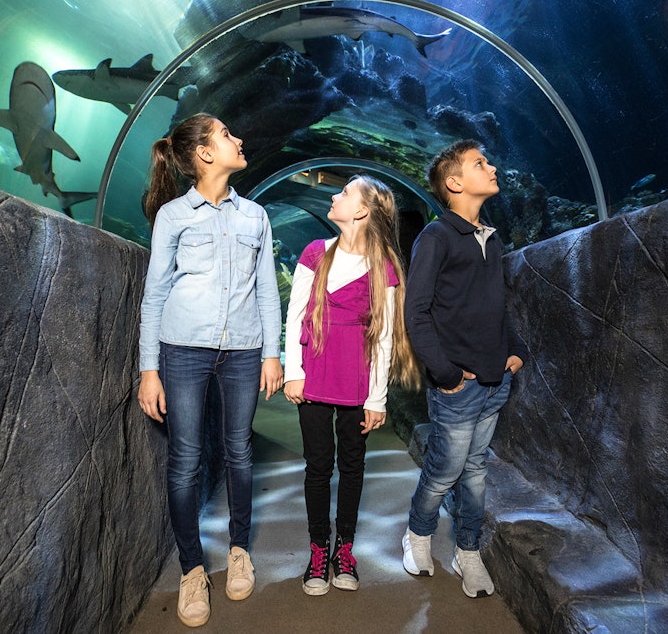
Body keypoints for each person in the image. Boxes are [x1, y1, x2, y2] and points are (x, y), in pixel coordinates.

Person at [137, 113, 284, 628]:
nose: (238, 139)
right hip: (182, 349)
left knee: (240, 450)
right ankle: (192, 569)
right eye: (225, 134)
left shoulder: (256, 217)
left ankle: (239, 550)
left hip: (244, 350)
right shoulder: (173, 216)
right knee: (186, 459)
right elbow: (155, 294)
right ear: (203, 153)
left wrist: (273, 353)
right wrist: (148, 369)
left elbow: (267, 289)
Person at [284, 175, 421, 596]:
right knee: (317, 466)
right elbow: (295, 317)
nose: (333, 195)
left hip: (357, 385)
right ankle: (317, 549)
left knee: (353, 466)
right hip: (315, 377)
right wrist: (294, 371)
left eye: (343, 192)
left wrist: (376, 398)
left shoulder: (386, 268)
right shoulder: (314, 253)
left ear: (362, 210)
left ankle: (345, 547)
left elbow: (382, 337)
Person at [401, 140, 523, 598]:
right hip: (458, 385)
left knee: (475, 470)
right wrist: (446, 373)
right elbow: (417, 313)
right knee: (444, 469)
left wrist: (513, 348)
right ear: (455, 184)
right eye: (480, 163)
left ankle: (466, 550)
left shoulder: (489, 237)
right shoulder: (435, 238)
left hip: (495, 381)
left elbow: (495, 306)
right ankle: (417, 533)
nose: (491, 167)